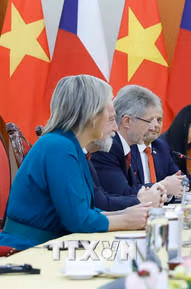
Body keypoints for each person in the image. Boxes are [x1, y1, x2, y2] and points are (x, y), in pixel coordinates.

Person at [0, 75, 149, 252]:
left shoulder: (69, 146)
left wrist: (126, 213)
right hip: (26, 250)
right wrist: (126, 220)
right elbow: (78, 220)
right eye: (111, 119)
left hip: (51, 245)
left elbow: (84, 210)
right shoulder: (59, 147)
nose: (116, 128)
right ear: (91, 115)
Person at [91, 85, 182, 197]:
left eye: (158, 120)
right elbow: (123, 194)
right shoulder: (109, 147)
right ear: (127, 121)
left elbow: (132, 189)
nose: (153, 127)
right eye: (149, 121)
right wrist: (163, 186)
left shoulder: (126, 147)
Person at [131, 104, 191, 190]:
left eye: (159, 120)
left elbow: (181, 177)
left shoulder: (161, 147)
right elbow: (130, 189)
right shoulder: (130, 148)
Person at [159, 104, 191, 188]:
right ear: (186, 123)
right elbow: (176, 180)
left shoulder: (178, 146)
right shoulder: (162, 145)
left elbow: (185, 177)